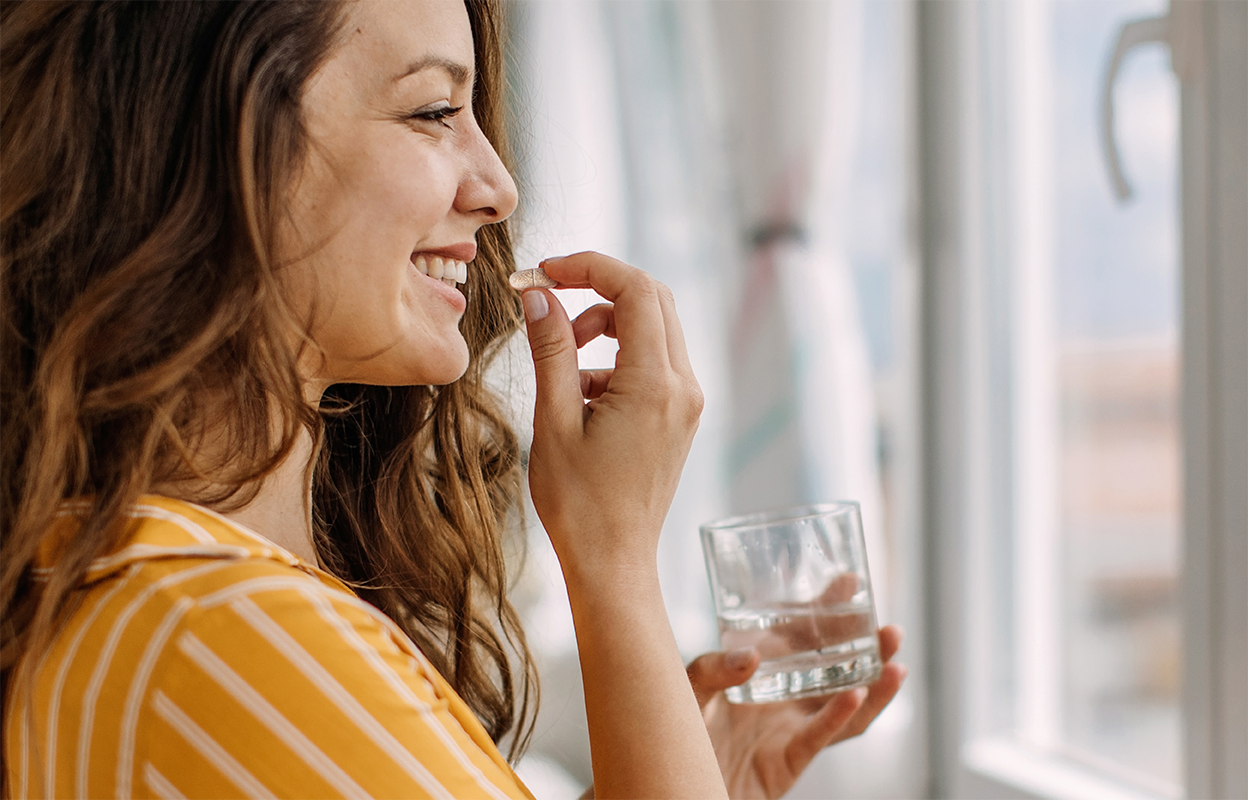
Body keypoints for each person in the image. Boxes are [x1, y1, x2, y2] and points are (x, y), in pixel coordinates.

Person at [0, 0, 907, 797]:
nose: (498, 189)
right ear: (225, 144)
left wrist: (683, 772)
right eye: (434, 110)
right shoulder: (229, 634)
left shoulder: (148, 584)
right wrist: (614, 559)